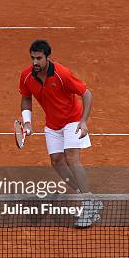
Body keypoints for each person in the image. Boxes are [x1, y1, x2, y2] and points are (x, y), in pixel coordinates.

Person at [18, 39, 102, 227]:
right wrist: (28, 122)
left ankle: (88, 205)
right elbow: (25, 98)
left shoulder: (62, 74)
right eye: (33, 58)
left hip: (72, 119)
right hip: (53, 124)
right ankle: (87, 195)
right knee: (56, 161)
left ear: (48, 57)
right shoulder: (26, 76)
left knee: (72, 158)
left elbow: (87, 94)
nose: (35, 62)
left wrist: (84, 121)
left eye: (39, 58)